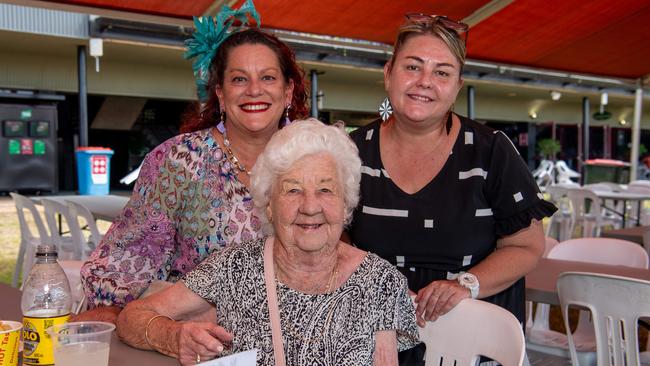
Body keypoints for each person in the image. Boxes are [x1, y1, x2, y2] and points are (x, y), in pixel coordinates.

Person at [76, 0, 308, 324]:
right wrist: (110, 310)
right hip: (198, 342)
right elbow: (133, 251)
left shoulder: (312, 159)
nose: (254, 90)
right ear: (221, 95)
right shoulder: (181, 161)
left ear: (287, 92)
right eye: (239, 79)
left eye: (268, 78)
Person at [116, 119, 420, 365]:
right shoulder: (232, 268)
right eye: (292, 190)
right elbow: (132, 318)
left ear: (346, 204)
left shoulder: (380, 282)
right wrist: (173, 336)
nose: (310, 206)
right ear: (270, 205)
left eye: (326, 190)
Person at [347, 13, 556, 364]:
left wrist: (466, 284)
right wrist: (376, 282)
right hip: (374, 342)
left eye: (442, 72)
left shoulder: (491, 151)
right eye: (412, 67)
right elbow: (334, 236)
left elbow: (526, 245)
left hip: (472, 347)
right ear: (388, 74)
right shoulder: (351, 151)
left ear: (457, 86)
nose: (425, 82)